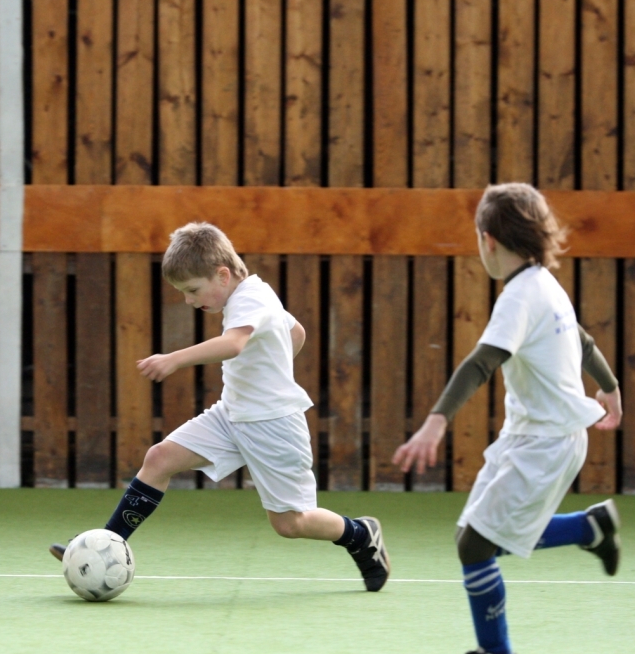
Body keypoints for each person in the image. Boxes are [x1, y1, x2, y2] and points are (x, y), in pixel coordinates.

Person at [50, 222, 391, 591]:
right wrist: (274, 367)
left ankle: (360, 533)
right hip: (231, 415)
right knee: (160, 458)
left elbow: (234, 344)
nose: (189, 300)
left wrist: (175, 359)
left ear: (222, 274)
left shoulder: (249, 297)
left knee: (290, 524)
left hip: (273, 425)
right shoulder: (253, 295)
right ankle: (105, 545)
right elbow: (296, 333)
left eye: (193, 290)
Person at [393, 183, 622, 654]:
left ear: (488, 240)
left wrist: (435, 422)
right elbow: (583, 342)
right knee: (477, 535)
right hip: (536, 438)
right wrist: (611, 387)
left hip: (544, 443)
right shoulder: (544, 282)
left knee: (475, 544)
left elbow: (481, 363)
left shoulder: (519, 295)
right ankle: (588, 529)